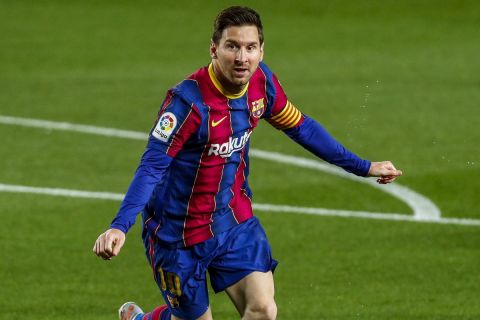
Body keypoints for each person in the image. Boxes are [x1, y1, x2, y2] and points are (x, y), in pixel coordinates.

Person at [93, 6, 402, 320]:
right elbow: (152, 166)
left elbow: (302, 127)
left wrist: (363, 166)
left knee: (263, 310)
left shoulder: (261, 84)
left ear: (261, 51)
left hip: (232, 221)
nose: (242, 58)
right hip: (177, 235)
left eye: (250, 48)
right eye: (232, 47)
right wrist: (120, 226)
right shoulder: (186, 104)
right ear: (214, 49)